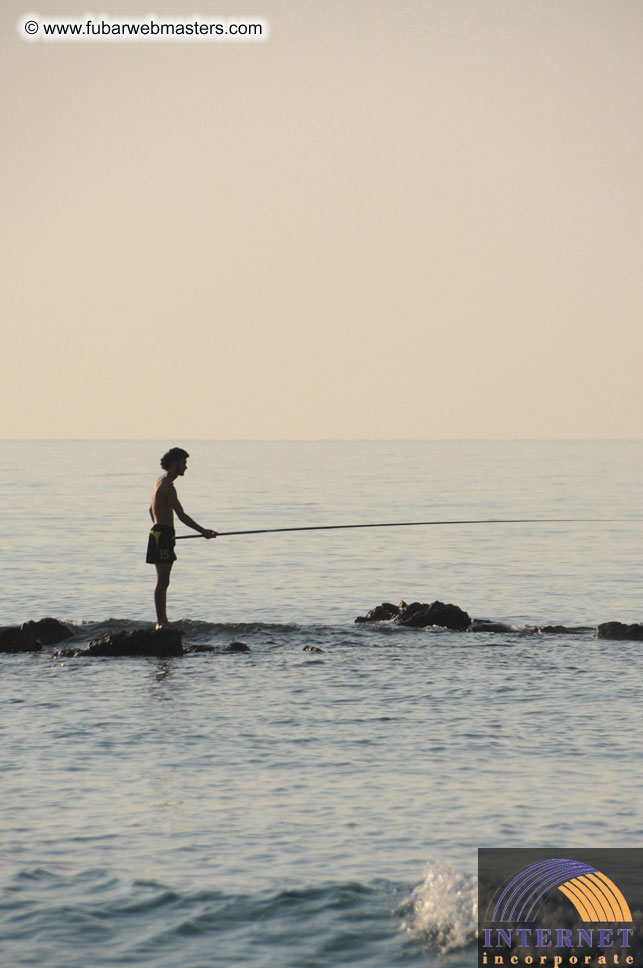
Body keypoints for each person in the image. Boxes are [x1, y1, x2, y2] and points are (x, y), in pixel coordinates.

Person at [146, 447, 217, 628]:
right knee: (162, 581)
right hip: (162, 535)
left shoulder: (159, 481)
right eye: (184, 463)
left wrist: (162, 528)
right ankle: (161, 622)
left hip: (160, 533)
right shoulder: (167, 486)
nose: (186, 467)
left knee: (164, 581)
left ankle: (162, 620)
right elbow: (181, 515)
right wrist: (203, 531)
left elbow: (150, 509)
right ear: (174, 463)